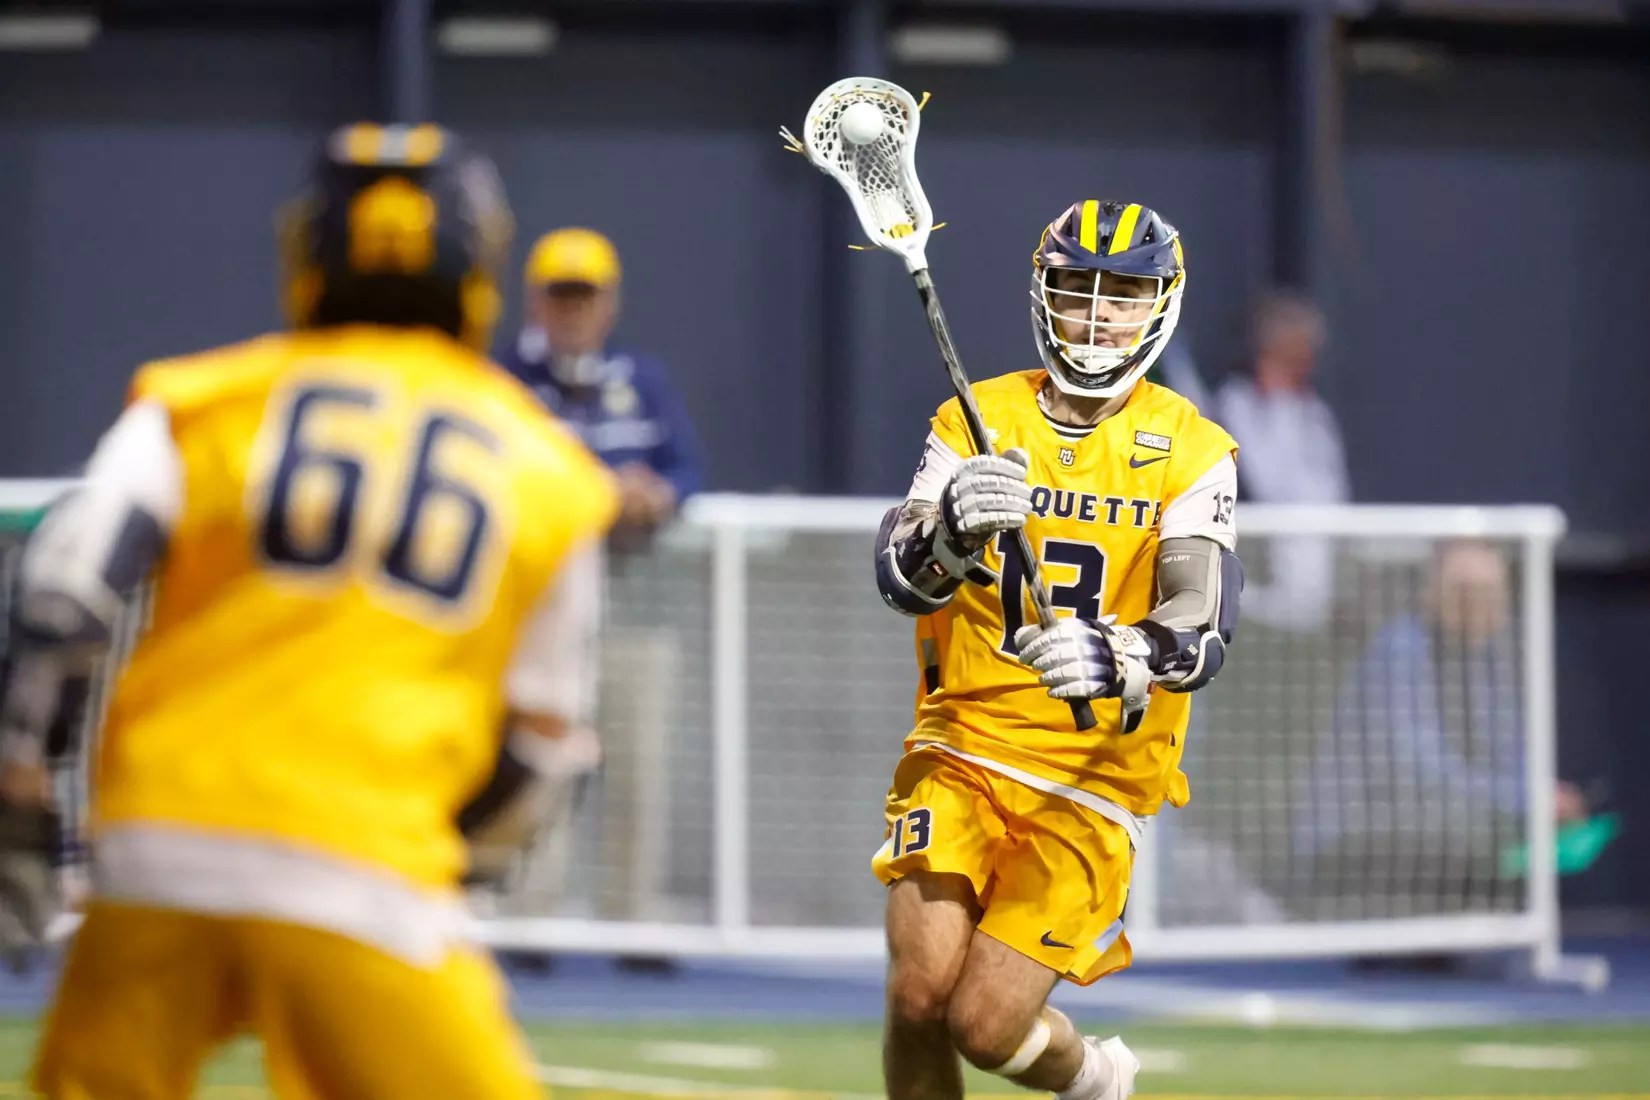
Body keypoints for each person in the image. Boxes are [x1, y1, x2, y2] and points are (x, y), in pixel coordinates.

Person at [0, 123, 616, 1099]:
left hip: (159, 836)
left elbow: (60, 591)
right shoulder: (548, 464)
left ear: (307, 250)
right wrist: (440, 865)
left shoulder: (197, 399)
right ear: (478, 265)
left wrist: (21, 790)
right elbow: (544, 747)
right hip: (366, 858)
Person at [873, 200, 1241, 1100]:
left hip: (1092, 773)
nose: (1096, 313)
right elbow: (897, 576)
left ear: (1161, 304)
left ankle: (1092, 1082)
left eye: (1123, 295)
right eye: (1077, 288)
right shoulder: (977, 417)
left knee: (987, 1026)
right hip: (962, 743)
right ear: (1044, 293)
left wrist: (1126, 652)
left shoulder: (1191, 449)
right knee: (918, 993)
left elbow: (1204, 619)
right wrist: (953, 531)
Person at [1296, 539, 1587, 919]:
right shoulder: (1399, 651)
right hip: (1356, 844)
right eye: (1465, 592)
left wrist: (1544, 793)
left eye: (1489, 593)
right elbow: (1417, 771)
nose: (1478, 604)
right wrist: (1525, 798)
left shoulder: (1486, 663)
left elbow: (1510, 750)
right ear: (1432, 593)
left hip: (1440, 832)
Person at [502, 227, 702, 548]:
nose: (573, 315)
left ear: (611, 303)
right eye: (560, 298)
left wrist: (656, 494)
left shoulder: (643, 380)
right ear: (535, 304)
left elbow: (687, 469)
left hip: (626, 573)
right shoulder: (505, 382)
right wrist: (601, 492)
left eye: (585, 298)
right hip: (538, 565)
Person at [1214, 290, 1348, 633]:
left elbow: (1334, 493)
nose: (1308, 358)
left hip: (1319, 594)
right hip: (1254, 592)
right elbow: (1264, 481)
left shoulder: (1316, 415)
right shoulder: (1232, 406)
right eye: (1297, 346)